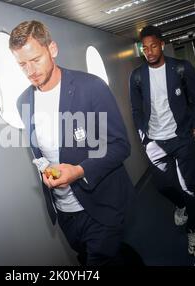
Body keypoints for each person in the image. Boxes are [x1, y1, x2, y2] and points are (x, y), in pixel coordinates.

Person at [10, 20, 137, 266]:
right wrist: (47, 170)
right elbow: (41, 151)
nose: (30, 71)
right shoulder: (23, 101)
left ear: (53, 49)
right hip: (65, 212)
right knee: (86, 258)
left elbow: (120, 145)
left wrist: (79, 171)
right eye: (22, 64)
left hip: (101, 204)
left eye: (36, 59)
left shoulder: (91, 87)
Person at [129, 25, 195, 255]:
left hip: (181, 137)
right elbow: (136, 110)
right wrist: (144, 137)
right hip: (155, 141)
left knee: (189, 188)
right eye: (145, 48)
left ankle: (194, 232)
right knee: (162, 185)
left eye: (153, 46)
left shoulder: (181, 68)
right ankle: (181, 205)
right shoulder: (137, 77)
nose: (149, 51)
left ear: (162, 44)